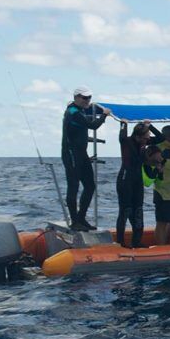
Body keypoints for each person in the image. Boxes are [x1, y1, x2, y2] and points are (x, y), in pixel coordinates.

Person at [62, 86, 111, 231]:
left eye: (89, 97)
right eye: (84, 98)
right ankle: (74, 221)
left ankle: (81, 217)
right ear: (76, 97)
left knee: (90, 186)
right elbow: (93, 125)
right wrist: (104, 114)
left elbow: (82, 131)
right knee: (74, 187)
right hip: (70, 154)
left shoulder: (80, 110)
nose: (87, 100)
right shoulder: (73, 112)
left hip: (81, 154)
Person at [115, 120, 163, 248]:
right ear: (137, 136)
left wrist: (150, 126)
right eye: (146, 137)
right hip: (125, 180)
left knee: (138, 211)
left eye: (148, 137)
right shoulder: (127, 142)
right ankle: (120, 242)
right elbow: (122, 136)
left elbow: (160, 138)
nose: (147, 139)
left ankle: (136, 241)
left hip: (137, 180)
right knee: (125, 211)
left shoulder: (144, 142)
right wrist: (123, 124)